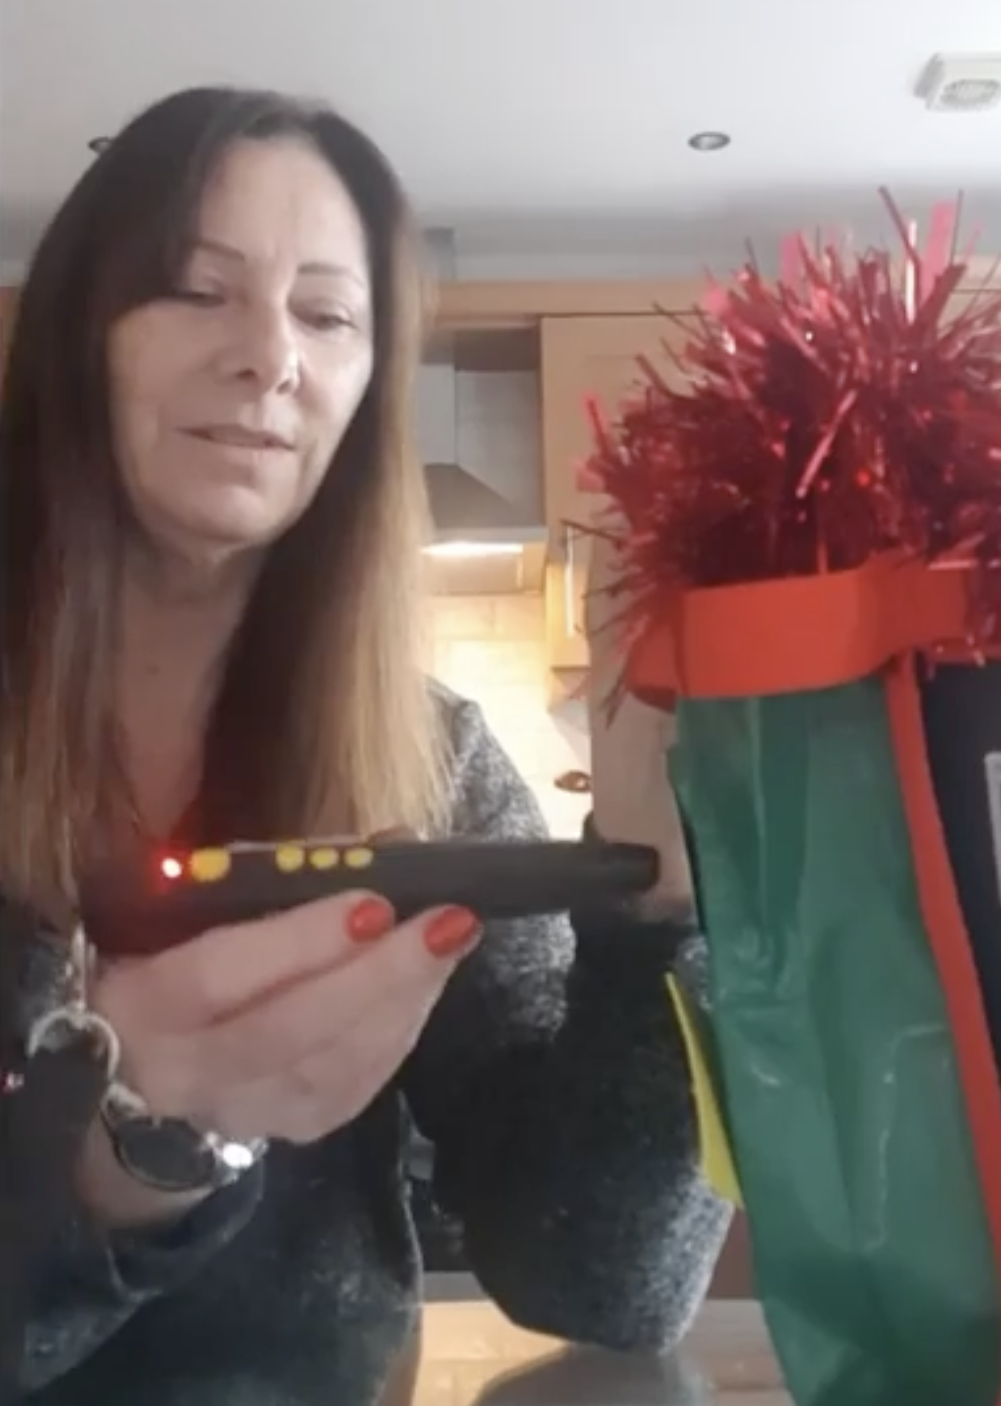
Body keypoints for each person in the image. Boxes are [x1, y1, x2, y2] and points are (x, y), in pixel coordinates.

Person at [0, 86, 730, 1406]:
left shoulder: (433, 757)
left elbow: (607, 1287)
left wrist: (661, 904)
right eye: (194, 288)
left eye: (327, 314)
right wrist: (124, 1150)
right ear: (75, 337)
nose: (269, 356)